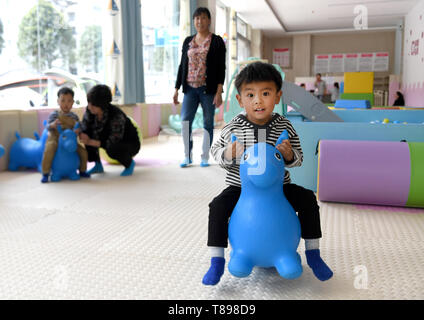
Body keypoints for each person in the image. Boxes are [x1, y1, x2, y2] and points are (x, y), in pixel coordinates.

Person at [202, 62, 333, 286]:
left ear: (278, 96)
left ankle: (313, 254)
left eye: (266, 93)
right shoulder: (233, 127)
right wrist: (228, 153)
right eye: (250, 94)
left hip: (279, 189)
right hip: (240, 188)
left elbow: (299, 159)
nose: (258, 100)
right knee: (217, 207)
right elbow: (215, 153)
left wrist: (289, 154)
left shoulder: (284, 126)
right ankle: (217, 260)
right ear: (240, 100)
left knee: (308, 199)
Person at [173, 7, 226, 168]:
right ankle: (187, 156)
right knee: (184, 121)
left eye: (203, 18)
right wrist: (176, 89)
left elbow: (221, 68)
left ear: (209, 21)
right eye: (197, 18)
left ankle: (204, 156)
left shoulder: (216, 41)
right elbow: (182, 65)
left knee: (208, 123)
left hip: (208, 90)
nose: (199, 21)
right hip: (189, 89)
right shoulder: (188, 41)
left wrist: (219, 91)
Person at [79, 85, 140, 177]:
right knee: (87, 133)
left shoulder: (116, 116)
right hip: (106, 138)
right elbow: (85, 125)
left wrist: (91, 142)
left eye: (93, 105)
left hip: (128, 143)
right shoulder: (90, 110)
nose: (89, 107)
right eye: (89, 103)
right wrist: (82, 133)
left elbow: (113, 141)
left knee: (112, 149)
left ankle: (129, 164)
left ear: (102, 105)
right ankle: (97, 165)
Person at [41, 87, 89, 183]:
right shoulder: (54, 114)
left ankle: (82, 170)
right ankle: (45, 172)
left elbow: (79, 127)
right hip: (56, 138)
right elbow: (48, 127)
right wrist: (53, 125)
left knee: (83, 151)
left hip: (70, 140)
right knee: (49, 148)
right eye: (63, 100)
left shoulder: (74, 116)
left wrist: (78, 131)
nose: (66, 104)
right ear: (58, 101)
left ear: (72, 102)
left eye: (69, 101)